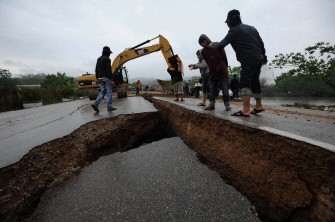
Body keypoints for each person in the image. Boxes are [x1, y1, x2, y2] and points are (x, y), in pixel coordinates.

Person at [204, 9, 267, 117]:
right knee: (255, 82)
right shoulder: (252, 28)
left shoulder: (234, 31)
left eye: (227, 22)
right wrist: (264, 56)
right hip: (259, 58)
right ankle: (258, 105)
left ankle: (246, 110)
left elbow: (220, 45)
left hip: (248, 59)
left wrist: (211, 45)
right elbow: (261, 43)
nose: (227, 24)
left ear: (230, 21)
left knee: (244, 83)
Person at [198, 34, 231, 111]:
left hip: (222, 71)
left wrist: (226, 67)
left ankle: (227, 105)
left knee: (225, 89)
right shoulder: (203, 52)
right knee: (211, 89)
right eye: (201, 43)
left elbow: (224, 57)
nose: (203, 44)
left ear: (207, 40)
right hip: (213, 73)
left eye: (203, 42)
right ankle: (211, 105)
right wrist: (211, 72)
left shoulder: (216, 45)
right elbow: (208, 62)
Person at [91, 46, 116, 113]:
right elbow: (108, 70)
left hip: (100, 78)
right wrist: (111, 79)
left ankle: (96, 103)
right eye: (109, 53)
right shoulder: (107, 59)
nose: (110, 54)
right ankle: (109, 107)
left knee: (102, 91)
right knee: (109, 91)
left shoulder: (98, 59)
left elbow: (96, 69)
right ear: (108, 53)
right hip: (106, 78)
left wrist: (97, 78)